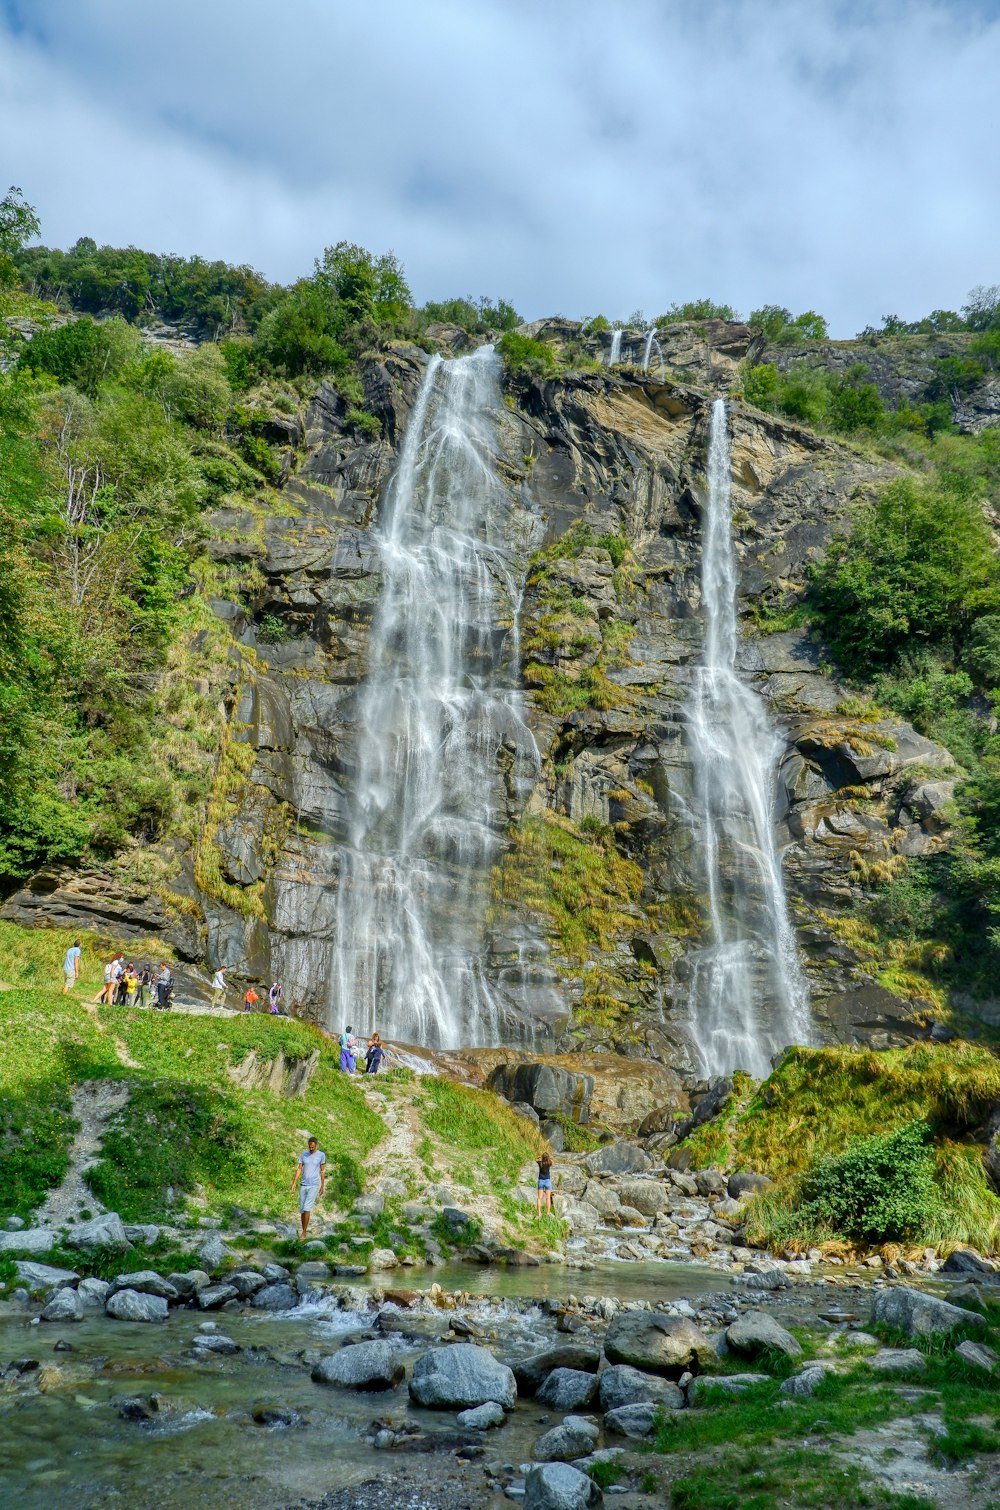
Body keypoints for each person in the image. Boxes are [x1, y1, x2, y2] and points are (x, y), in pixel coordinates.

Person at [291, 1136, 326, 1240]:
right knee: (302, 1210)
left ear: (316, 1145)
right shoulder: (303, 1154)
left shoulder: (321, 1155)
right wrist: (294, 1182)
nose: (311, 1149)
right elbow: (299, 1169)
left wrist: (322, 1186)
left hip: (314, 1185)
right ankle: (303, 1230)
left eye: (313, 1147)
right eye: (310, 1147)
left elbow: (322, 1171)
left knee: (307, 1208)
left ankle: (304, 1233)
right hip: (303, 1185)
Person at [536, 1149, 554, 1217]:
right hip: (547, 1181)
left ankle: (539, 1213)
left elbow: (536, 1159)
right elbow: (553, 1162)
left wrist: (540, 1156)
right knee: (548, 1198)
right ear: (548, 1158)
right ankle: (548, 1213)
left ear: (542, 1157)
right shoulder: (549, 1163)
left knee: (539, 1198)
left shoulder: (540, 1163)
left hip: (541, 1181)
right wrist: (549, 1158)